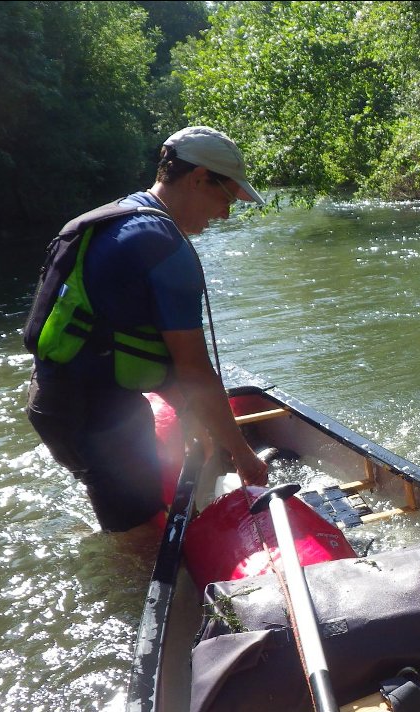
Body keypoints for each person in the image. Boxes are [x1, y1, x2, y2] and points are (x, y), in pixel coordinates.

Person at [25, 126, 269, 535]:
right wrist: (244, 456)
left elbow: (121, 338)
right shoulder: (167, 251)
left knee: (128, 498)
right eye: (226, 197)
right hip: (94, 414)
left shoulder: (123, 215)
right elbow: (193, 370)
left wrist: (195, 417)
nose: (226, 214)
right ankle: (127, 580)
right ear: (198, 179)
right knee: (140, 542)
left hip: (58, 400)